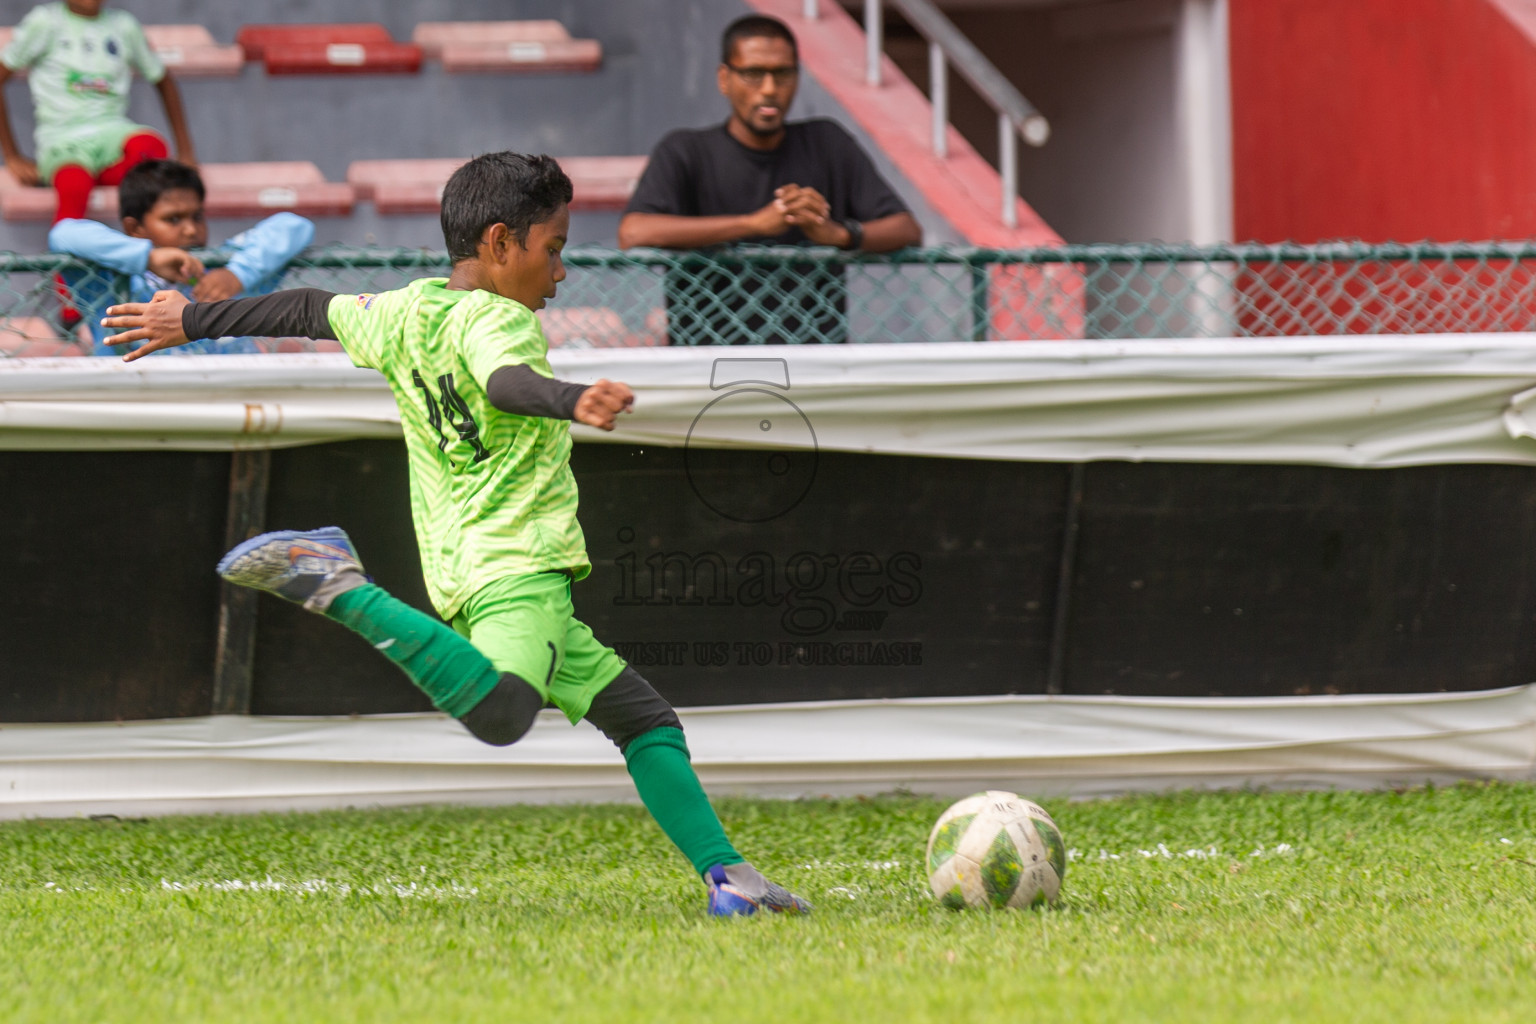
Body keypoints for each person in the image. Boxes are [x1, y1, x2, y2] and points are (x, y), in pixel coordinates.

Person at [100, 152, 810, 919]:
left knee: (643, 719)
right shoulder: (500, 319)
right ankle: (341, 585)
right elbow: (505, 381)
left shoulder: (405, 311)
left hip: (466, 570)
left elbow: (307, 308)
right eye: (555, 248)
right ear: (503, 243)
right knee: (504, 713)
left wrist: (192, 320)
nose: (562, 271)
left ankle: (731, 879)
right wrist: (571, 398)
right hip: (520, 569)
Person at [618, 14, 921, 345]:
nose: (769, 89)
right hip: (710, 357)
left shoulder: (827, 143)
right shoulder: (686, 151)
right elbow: (634, 231)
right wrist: (753, 225)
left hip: (815, 356)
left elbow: (905, 229)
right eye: (752, 74)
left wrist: (836, 233)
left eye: (783, 74)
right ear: (724, 79)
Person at [50, 159, 313, 354]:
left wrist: (237, 276)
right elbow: (63, 234)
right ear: (134, 228)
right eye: (173, 219)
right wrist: (148, 258)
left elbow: (295, 226)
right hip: (136, 403)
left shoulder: (223, 271)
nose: (190, 230)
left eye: (197, 217)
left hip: (230, 401)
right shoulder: (115, 282)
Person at [0, 1, 196, 223]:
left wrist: (186, 151)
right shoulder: (45, 22)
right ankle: (61, 254)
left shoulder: (123, 25)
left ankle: (140, 243)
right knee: (74, 185)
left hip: (112, 132)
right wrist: (12, 155)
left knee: (152, 150)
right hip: (62, 139)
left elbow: (163, 80)